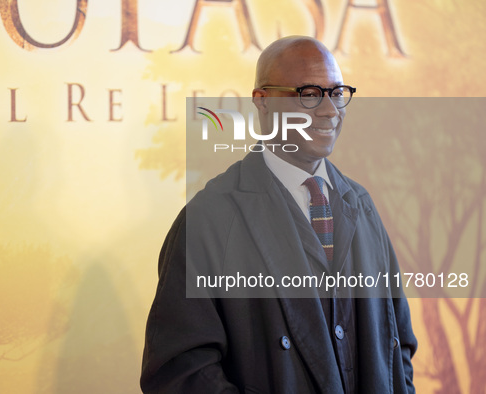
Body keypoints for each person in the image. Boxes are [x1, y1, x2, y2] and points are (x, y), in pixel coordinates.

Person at [141, 36, 417, 393]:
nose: (330, 110)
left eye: (337, 93)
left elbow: (398, 341)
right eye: (309, 94)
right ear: (264, 101)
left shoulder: (361, 205)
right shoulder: (209, 219)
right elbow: (180, 373)